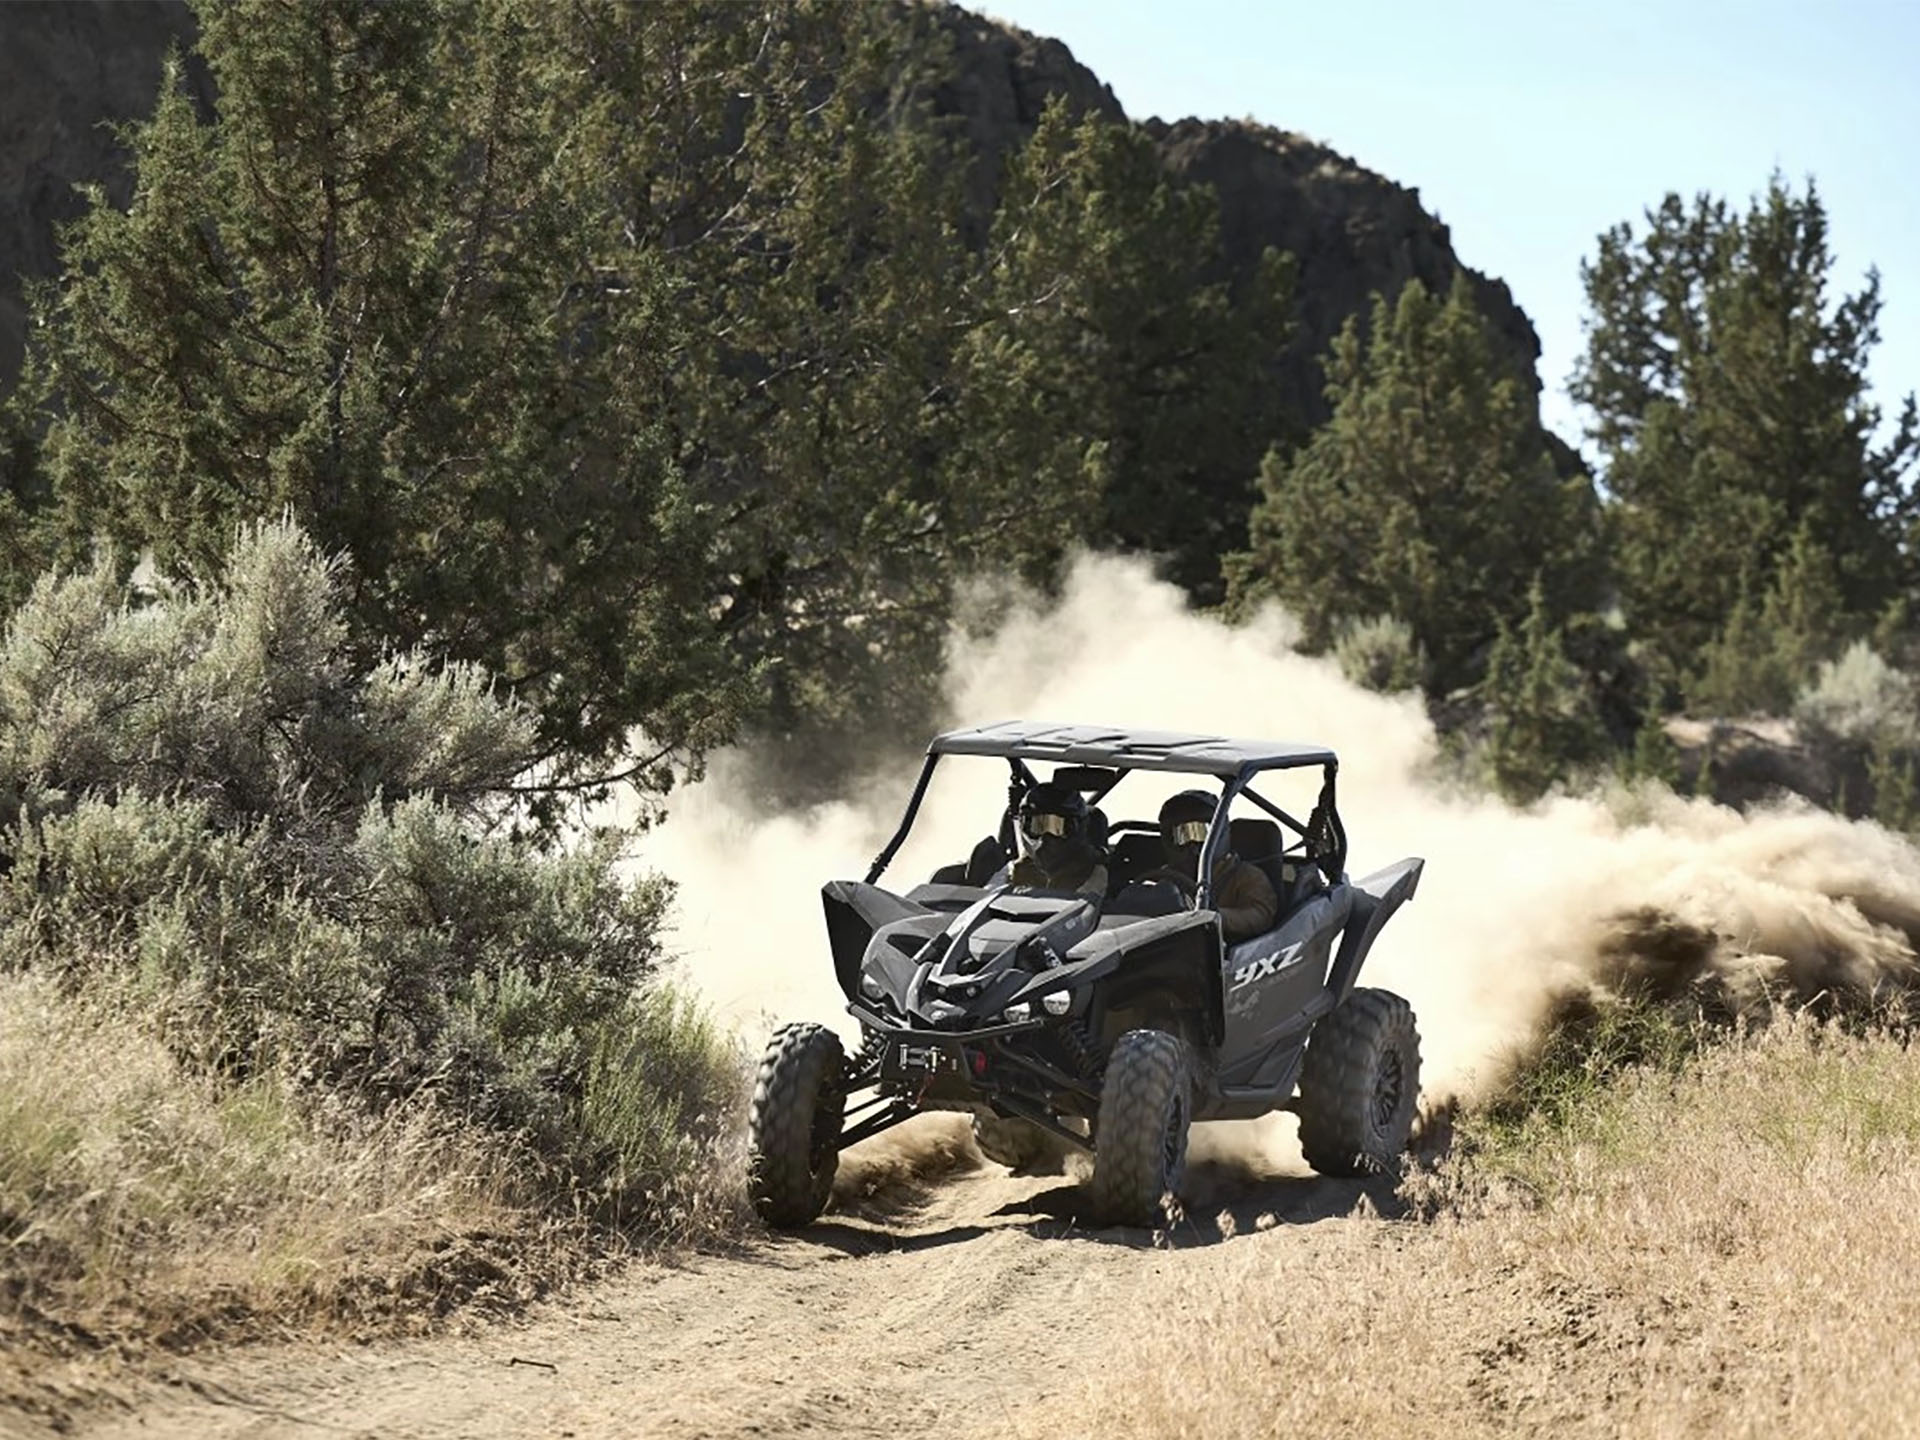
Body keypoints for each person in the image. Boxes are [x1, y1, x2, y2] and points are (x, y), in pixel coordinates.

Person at [1145, 789, 1277, 941]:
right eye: (1181, 835)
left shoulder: (1246, 875)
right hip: (1169, 950)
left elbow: (1261, 916)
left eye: (1200, 832)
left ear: (1218, 834)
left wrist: (1212, 915)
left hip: (1225, 954)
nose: (1192, 843)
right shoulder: (1166, 877)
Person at [1006, 782, 1108, 896]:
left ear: (1076, 828)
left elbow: (1086, 908)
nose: (1045, 837)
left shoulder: (1096, 875)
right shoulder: (1014, 871)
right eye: (1037, 826)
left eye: (1057, 827)